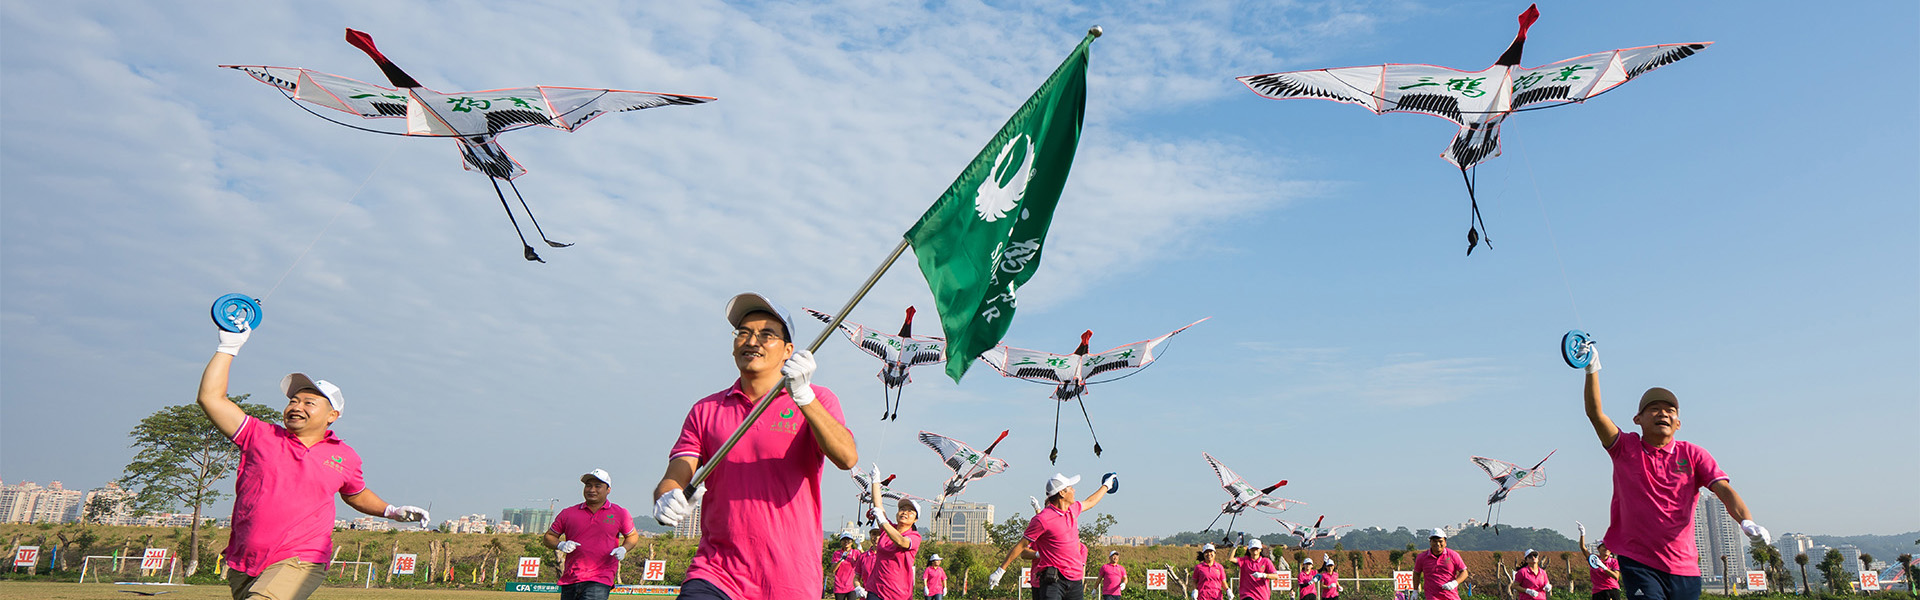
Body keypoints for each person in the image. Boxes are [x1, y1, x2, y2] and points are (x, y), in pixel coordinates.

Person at [651, 293, 859, 600]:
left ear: (788, 351)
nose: (752, 341)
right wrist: (667, 497)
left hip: (790, 579)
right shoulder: (706, 410)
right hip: (716, 573)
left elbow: (846, 457)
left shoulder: (818, 400)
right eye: (744, 332)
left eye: (766, 335)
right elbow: (675, 476)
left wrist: (804, 397)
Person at [198, 323, 428, 600]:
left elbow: (355, 494)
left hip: (303, 558)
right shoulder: (260, 435)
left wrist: (391, 511)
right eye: (293, 401)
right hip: (244, 560)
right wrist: (228, 347)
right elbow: (211, 398)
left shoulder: (345, 457)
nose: (296, 406)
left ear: (332, 415)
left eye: (309, 403)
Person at [1580, 350, 1768, 600]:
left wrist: (1747, 521)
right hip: (1638, 561)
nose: (1663, 414)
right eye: (1654, 409)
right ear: (1637, 419)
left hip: (1684, 567)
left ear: (1678, 423)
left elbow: (1723, 489)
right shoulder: (1625, 447)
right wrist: (1592, 369)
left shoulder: (1693, 454)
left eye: (1670, 411)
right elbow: (1595, 414)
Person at [988, 472, 1120, 600]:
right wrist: (1000, 571)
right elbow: (1021, 545)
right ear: (1062, 493)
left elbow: (1090, 502)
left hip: (1075, 582)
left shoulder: (1072, 510)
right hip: (1053, 582)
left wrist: (1106, 486)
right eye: (1070, 488)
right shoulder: (1042, 519)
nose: (1074, 490)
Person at [544, 469, 641, 600]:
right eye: (588, 485)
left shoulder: (620, 513)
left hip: (600, 579)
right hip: (571, 578)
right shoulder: (568, 513)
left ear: (608, 489)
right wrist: (561, 545)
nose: (592, 490)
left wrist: (624, 548)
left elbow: (632, 536)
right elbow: (548, 537)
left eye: (597, 486)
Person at [867, 494, 921, 600]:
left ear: (915, 519)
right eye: (902, 509)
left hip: (899, 594)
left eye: (910, 511)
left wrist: (883, 521)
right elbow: (878, 504)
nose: (905, 512)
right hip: (876, 590)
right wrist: (875, 483)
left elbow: (901, 541)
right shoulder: (887, 529)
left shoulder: (915, 537)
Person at [1413, 529, 1468, 600]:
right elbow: (1416, 573)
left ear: (1445, 542)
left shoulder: (1453, 555)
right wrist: (1415, 591)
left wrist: (1454, 583)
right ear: (1430, 542)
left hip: (1451, 596)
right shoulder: (1422, 557)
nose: (1438, 544)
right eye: (1434, 541)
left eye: (1440, 541)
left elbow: (1464, 572)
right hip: (1432, 597)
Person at [1578, 522, 1623, 600]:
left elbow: (1616, 576)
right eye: (1603, 546)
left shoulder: (1614, 562)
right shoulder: (1594, 559)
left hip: (1612, 590)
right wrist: (1582, 534)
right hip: (1598, 592)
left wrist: (1603, 567)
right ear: (1598, 549)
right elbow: (1583, 548)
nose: (1606, 549)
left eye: (1608, 547)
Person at [830, 532, 861, 600]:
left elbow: (865, 558)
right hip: (839, 587)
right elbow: (833, 570)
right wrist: (841, 560)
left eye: (848, 540)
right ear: (841, 542)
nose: (846, 542)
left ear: (852, 542)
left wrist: (860, 547)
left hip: (852, 586)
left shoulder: (856, 552)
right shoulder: (837, 553)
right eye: (844, 540)